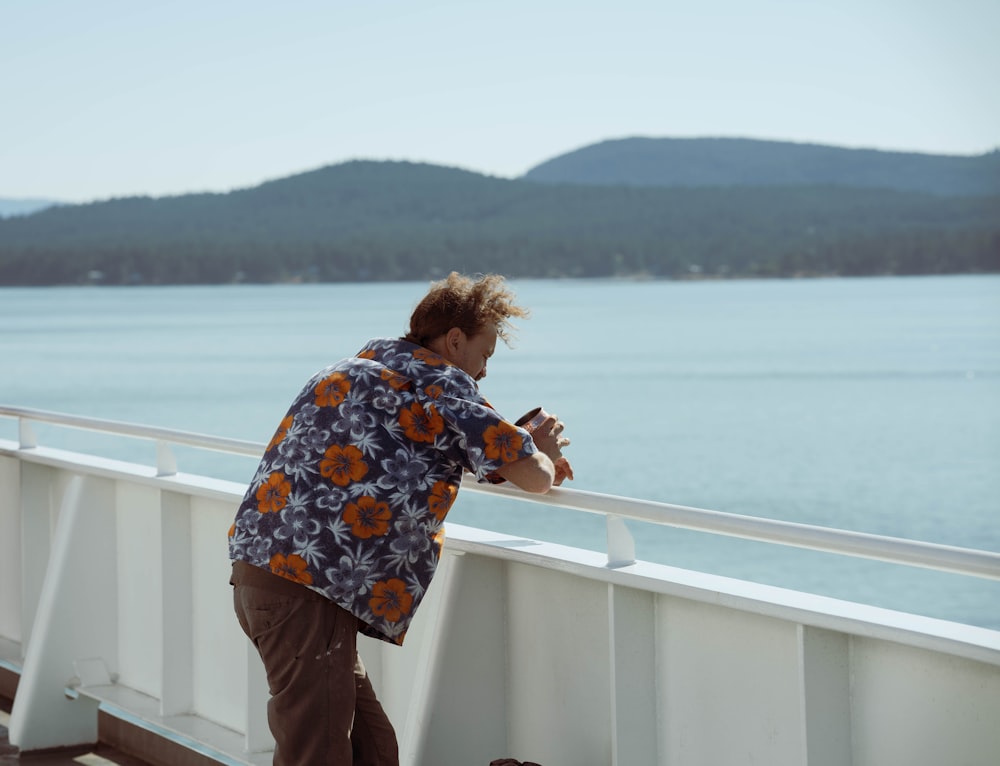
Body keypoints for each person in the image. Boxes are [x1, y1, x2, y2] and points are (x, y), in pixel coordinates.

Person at [228, 272, 573, 765]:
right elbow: (535, 477)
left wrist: (501, 451)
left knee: (372, 748)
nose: (484, 371)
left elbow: (410, 444)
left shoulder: (351, 370)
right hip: (308, 592)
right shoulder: (442, 382)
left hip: (264, 574)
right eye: (485, 354)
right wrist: (540, 449)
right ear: (454, 340)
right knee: (317, 754)